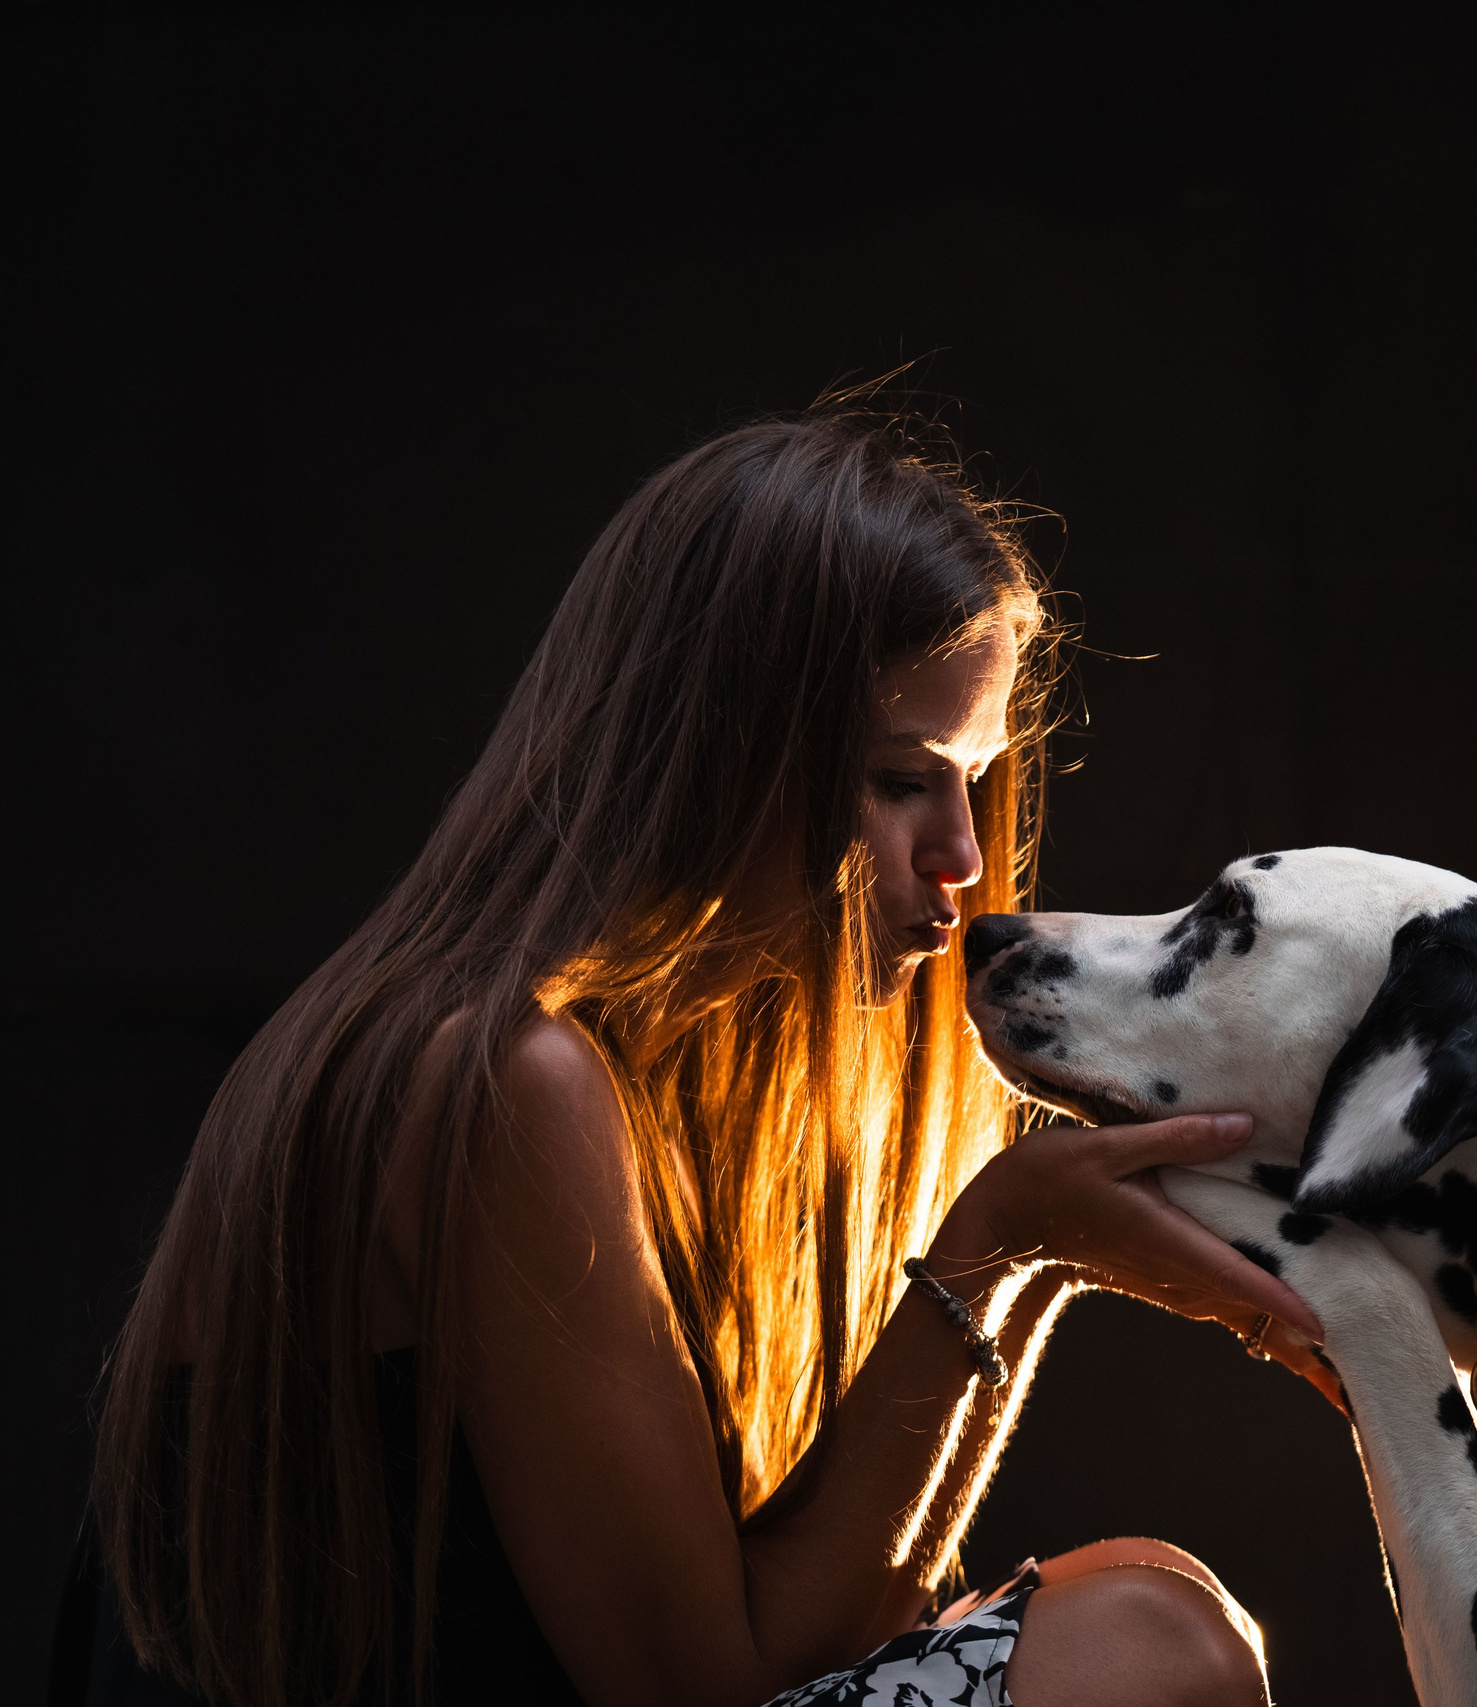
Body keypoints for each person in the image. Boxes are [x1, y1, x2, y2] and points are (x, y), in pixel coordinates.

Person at [78, 410, 1339, 1707]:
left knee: (1133, 1602)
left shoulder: (623, 1083)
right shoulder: (505, 1077)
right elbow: (700, 1689)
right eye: (903, 778)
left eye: (976, 779)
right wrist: (1007, 1247)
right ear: (721, 753)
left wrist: (1027, 1263)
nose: (964, 858)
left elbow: (836, 1634)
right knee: (1142, 1648)